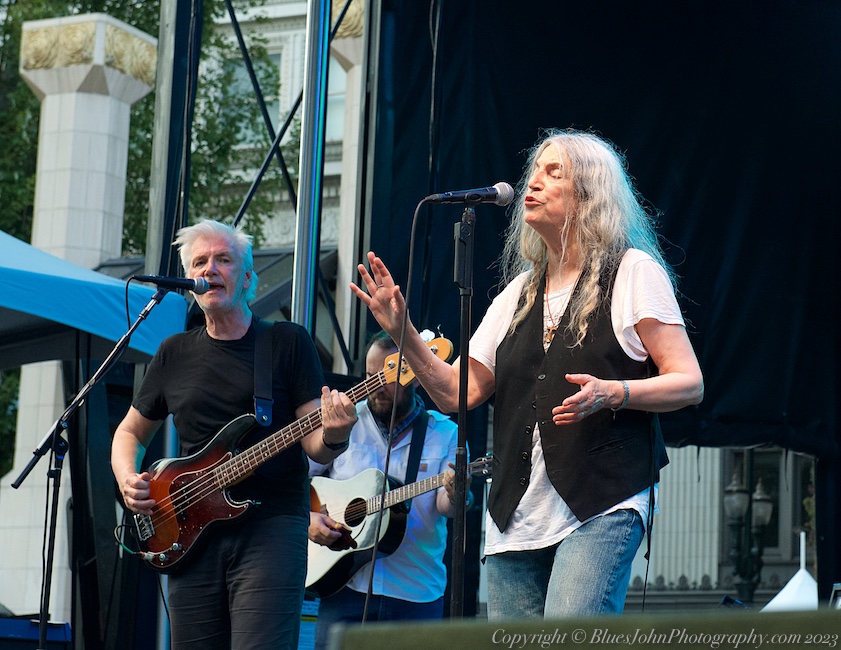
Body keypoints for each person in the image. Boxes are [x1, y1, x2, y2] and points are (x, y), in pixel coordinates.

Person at [350, 128, 704, 619]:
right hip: (515, 517)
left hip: (601, 503)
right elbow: (456, 392)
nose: (533, 184)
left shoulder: (631, 272)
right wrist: (404, 331)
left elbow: (688, 381)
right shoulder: (519, 292)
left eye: (553, 173)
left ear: (590, 193)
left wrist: (615, 391)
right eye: (534, 172)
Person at [111, 219, 357, 649]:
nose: (210, 269)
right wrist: (126, 478)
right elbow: (130, 431)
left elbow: (315, 443)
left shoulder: (286, 342)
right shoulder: (173, 352)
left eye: (223, 260)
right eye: (200, 262)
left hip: (271, 527)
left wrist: (335, 434)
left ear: (246, 277)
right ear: (189, 280)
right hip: (185, 530)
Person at [307, 331, 465, 648]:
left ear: (416, 376)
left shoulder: (445, 433)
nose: (376, 386)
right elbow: (300, 480)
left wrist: (457, 491)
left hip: (415, 593)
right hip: (344, 586)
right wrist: (308, 519)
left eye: (388, 376)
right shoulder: (342, 424)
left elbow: (448, 506)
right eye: (369, 376)